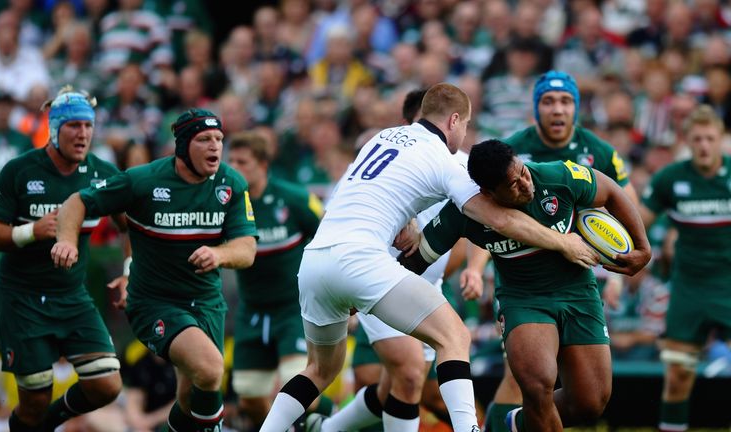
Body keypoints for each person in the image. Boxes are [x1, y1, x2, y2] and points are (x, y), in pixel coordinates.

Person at [257, 82, 605, 432]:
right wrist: (563, 243)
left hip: (316, 261)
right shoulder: (445, 160)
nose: (464, 134)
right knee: (454, 338)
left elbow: (375, 189)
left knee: (320, 370)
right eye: (465, 125)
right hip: (363, 261)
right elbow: (498, 219)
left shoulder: (382, 138)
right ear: (454, 120)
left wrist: (407, 220)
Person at [400, 139, 651, 432]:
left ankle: (512, 424)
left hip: (579, 292)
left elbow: (610, 190)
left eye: (523, 172)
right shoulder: (464, 211)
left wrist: (643, 249)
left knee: (590, 402)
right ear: (488, 193)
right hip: (523, 301)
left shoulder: (557, 176)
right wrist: (364, 289)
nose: (525, 184)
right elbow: (415, 260)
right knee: (538, 385)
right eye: (513, 184)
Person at [51, 108, 258, 432]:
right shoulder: (143, 180)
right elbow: (77, 202)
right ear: (183, 145)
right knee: (210, 369)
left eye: (219, 139)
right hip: (155, 303)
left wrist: (219, 254)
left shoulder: (231, 183)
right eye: (204, 139)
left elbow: (247, 249)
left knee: (189, 398)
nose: (215, 146)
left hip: (207, 303)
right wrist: (67, 241)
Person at [478, 70, 640, 431]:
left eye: (565, 101)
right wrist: (477, 268)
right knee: (526, 377)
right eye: (548, 101)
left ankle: (508, 426)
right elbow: (487, 217)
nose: (557, 109)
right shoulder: (512, 151)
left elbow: (625, 203)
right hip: (523, 281)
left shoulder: (599, 152)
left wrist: (616, 272)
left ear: (576, 108)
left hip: (580, 275)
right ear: (536, 108)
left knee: (587, 396)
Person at [309, 87, 459, 431]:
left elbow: (473, 223)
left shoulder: (459, 163)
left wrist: (473, 270)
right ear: (408, 125)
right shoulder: (384, 155)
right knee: (405, 374)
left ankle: (326, 429)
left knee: (400, 384)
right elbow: (335, 218)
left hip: (428, 288)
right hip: (378, 279)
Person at [0, 86, 125, 432]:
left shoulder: (103, 174)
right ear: (55, 129)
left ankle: (49, 424)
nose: (83, 134)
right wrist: (31, 231)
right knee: (34, 402)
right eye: (74, 125)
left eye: (88, 126)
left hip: (72, 296)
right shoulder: (20, 170)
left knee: (107, 385)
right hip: (22, 298)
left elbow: (130, 225)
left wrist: (130, 271)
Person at [227, 130, 332, 429]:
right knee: (248, 395)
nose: (234, 168)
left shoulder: (295, 198)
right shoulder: (227, 205)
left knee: (298, 386)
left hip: (293, 308)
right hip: (252, 310)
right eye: (231, 161)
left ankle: (336, 417)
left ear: (263, 164)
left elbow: (329, 235)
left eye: (242, 162)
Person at [638, 105, 731, 432]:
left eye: (710, 138)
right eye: (697, 139)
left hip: (729, 284)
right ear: (687, 141)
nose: (704, 145)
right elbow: (636, 224)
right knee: (677, 376)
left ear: (721, 139)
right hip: (689, 288)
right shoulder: (670, 178)